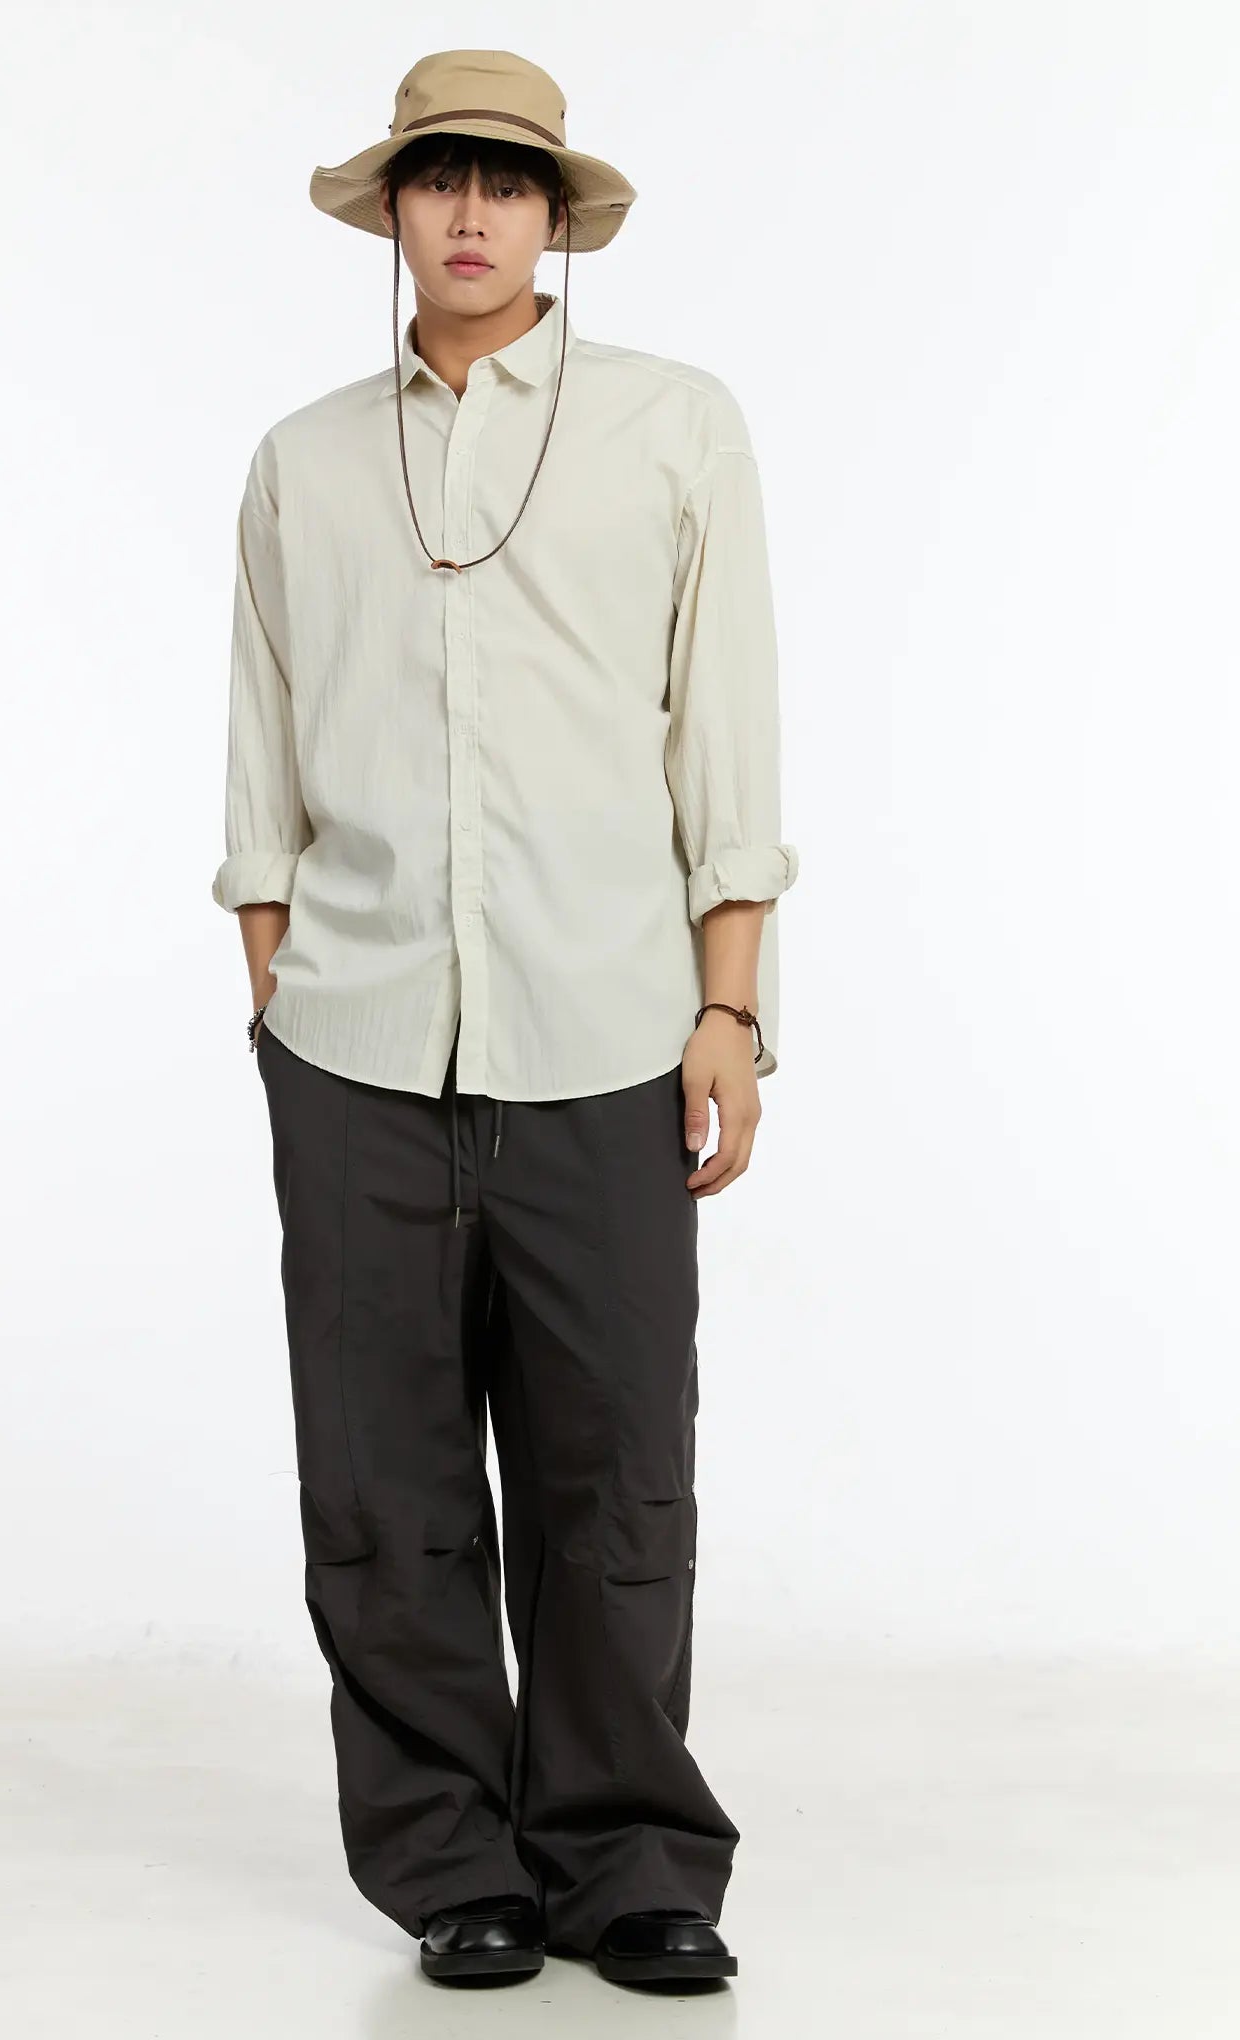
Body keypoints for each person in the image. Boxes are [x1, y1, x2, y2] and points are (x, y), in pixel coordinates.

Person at [210, 48, 799, 1991]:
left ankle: (630, 1861)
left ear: (557, 217)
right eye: (438, 178)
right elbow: (262, 763)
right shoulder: (304, 460)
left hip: (610, 1028)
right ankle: (451, 1860)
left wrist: (730, 1007)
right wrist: (279, 999)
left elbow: (725, 742)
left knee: (613, 1470)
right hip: (356, 1044)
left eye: (508, 182)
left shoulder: (674, 428)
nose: (470, 213)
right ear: (392, 209)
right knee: (381, 1484)